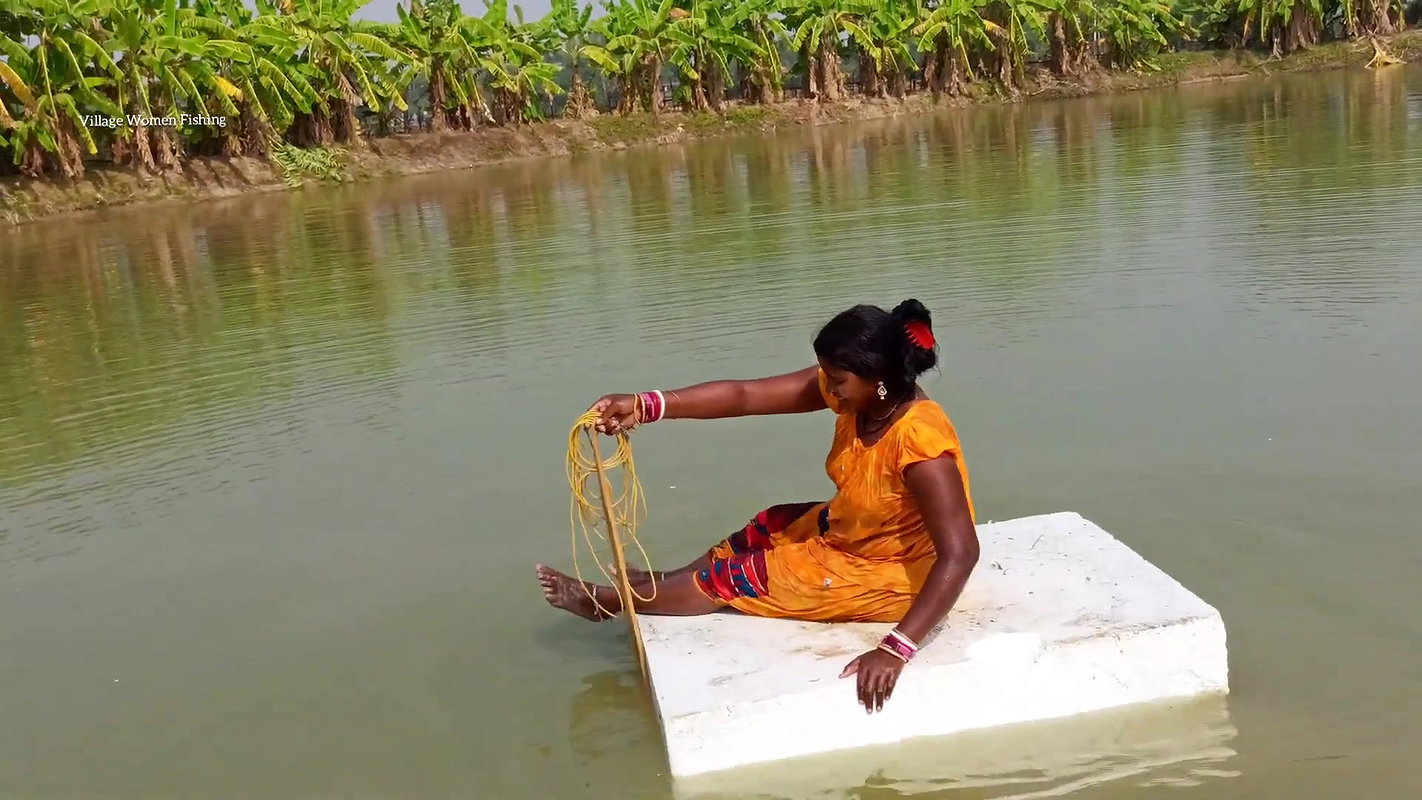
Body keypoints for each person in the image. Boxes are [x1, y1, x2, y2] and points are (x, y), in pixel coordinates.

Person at [537, 299, 980, 713]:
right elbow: (745, 395)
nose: (830, 389)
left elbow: (961, 553)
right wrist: (646, 404)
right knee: (770, 523)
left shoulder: (920, 444)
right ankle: (664, 586)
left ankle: (607, 601)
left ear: (877, 377)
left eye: (838, 381)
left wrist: (897, 648)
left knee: (737, 576)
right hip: (859, 531)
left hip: (891, 574)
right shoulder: (863, 395)